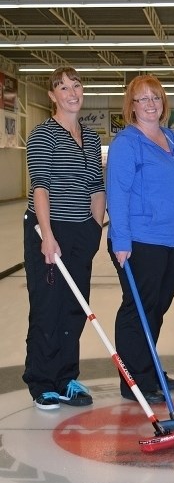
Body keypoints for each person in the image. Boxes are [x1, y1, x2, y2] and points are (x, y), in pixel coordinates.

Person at [106, 75, 174, 405]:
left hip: (172, 241)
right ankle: (134, 380)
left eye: (155, 98)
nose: (150, 104)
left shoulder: (173, 139)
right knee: (138, 310)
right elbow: (117, 194)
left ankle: (148, 369)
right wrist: (120, 239)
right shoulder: (127, 143)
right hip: (139, 239)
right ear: (131, 107)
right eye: (142, 99)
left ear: (163, 103)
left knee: (157, 309)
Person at [23, 66, 106, 410]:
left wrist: (94, 229)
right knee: (48, 307)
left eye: (76, 86)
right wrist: (48, 236)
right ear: (52, 96)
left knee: (75, 307)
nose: (72, 93)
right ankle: (41, 381)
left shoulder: (92, 137)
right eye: (63, 88)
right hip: (48, 230)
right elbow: (40, 186)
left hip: (80, 231)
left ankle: (65, 377)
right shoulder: (43, 134)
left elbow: (97, 188)